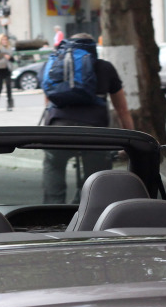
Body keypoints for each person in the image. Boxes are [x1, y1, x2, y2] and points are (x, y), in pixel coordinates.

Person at [40, 33, 134, 204]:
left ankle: (52, 209)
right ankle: (89, 210)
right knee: (97, 177)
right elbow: (122, 110)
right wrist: (130, 143)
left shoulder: (52, 66)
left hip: (58, 131)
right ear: (93, 49)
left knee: (53, 164)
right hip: (94, 133)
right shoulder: (105, 67)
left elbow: (48, 104)